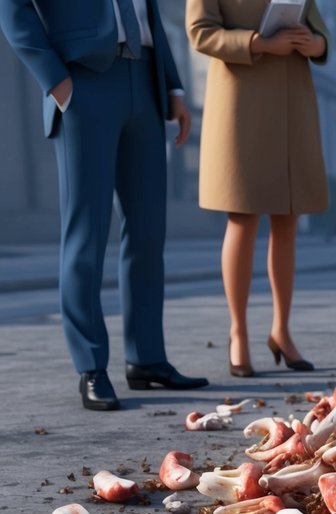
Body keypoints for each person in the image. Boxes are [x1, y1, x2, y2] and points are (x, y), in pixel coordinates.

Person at [0, 0, 208, 410]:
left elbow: (148, 15)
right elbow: (12, 8)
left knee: (148, 231)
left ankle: (147, 358)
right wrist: (56, 81)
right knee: (86, 234)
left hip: (145, 82)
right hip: (83, 84)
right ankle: (91, 367)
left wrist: (173, 86)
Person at [187, 0, 329, 377]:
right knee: (242, 215)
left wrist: (315, 44)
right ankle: (239, 332)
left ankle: (281, 329)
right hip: (240, 101)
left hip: (292, 102)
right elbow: (200, 31)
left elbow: (318, 28)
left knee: (288, 217)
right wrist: (260, 43)